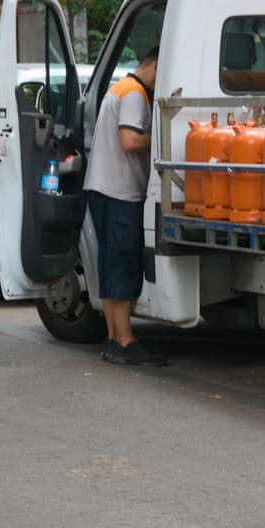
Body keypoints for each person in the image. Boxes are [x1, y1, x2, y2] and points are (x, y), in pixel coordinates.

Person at [85, 45, 167, 366]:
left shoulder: (119, 87)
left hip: (102, 190)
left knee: (109, 263)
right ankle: (125, 340)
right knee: (122, 264)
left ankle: (112, 338)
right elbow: (129, 140)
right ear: (156, 66)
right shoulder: (134, 93)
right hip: (120, 192)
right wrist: (159, 136)